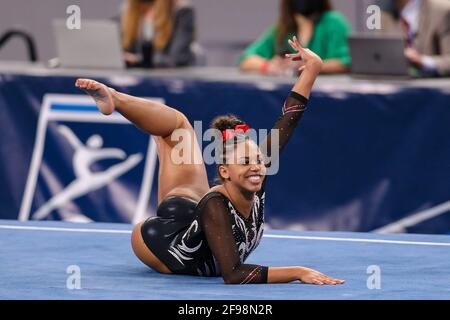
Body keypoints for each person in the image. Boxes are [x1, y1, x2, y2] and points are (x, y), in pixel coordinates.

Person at [75, 36, 345, 285]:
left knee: (175, 131)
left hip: (194, 216)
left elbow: (288, 120)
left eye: (259, 161)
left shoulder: (256, 177)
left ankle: (119, 100)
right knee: (174, 128)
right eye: (246, 162)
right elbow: (234, 274)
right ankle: (115, 98)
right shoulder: (215, 204)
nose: (256, 167)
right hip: (161, 241)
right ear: (225, 171)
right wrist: (298, 272)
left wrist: (312, 70)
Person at [239, 0, 351, 75]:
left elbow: (346, 63)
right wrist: (268, 66)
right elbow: (246, 59)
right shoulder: (283, 28)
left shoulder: (333, 22)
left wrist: (308, 66)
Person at [379, 0, 450, 76]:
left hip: (433, 84)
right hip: (395, 84)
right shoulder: (384, 13)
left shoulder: (441, 10)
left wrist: (423, 61)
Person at [121, 0, 196, 68]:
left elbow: (177, 57)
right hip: (136, 76)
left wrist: (139, 60)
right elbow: (125, 49)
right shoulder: (128, 11)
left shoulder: (181, 11)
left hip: (169, 76)